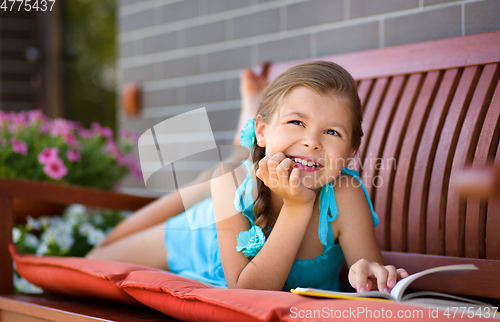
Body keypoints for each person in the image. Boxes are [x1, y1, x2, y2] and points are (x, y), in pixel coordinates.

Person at [87, 61, 408, 293]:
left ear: (350, 151)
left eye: (332, 132)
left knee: (226, 174)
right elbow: (246, 290)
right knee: (98, 255)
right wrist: (297, 208)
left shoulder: (344, 192)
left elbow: (369, 272)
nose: (312, 141)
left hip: (237, 188)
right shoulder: (230, 185)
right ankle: (223, 169)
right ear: (264, 130)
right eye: (297, 122)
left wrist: (373, 275)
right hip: (199, 237)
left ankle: (237, 158)